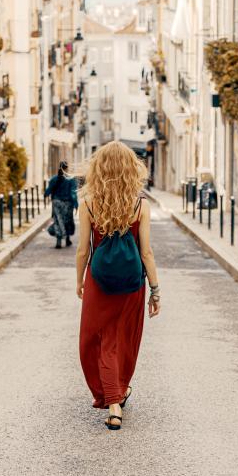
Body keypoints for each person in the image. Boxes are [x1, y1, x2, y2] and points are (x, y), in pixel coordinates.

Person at [74, 141, 161, 431]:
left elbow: (83, 251)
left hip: (99, 282)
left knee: (98, 341)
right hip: (131, 285)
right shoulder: (140, 206)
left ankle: (113, 401)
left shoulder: (86, 203)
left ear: (98, 168)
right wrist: (155, 289)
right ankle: (118, 392)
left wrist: (79, 280)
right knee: (123, 339)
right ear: (130, 169)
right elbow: (146, 252)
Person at [45, 161, 78, 248]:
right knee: (67, 221)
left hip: (57, 203)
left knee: (58, 221)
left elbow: (48, 191)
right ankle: (67, 239)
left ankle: (58, 241)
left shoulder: (54, 179)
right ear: (66, 168)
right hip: (68, 204)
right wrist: (76, 204)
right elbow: (73, 193)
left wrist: (46, 194)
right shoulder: (71, 179)